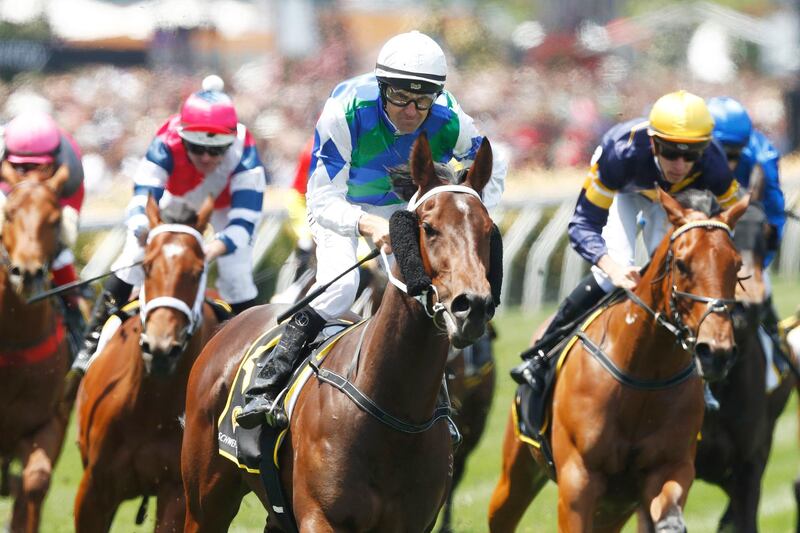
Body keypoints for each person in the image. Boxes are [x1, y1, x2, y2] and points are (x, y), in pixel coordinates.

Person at [236, 30, 508, 429]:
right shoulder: (346, 110)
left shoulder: (450, 118)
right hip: (341, 205)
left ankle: (437, 402)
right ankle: (267, 382)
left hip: (404, 206)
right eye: (400, 97)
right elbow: (322, 198)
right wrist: (366, 223)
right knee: (340, 287)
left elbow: (493, 162)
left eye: (423, 98)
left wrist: (476, 212)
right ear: (382, 87)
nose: (412, 110)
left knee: (427, 294)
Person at [511, 90, 739, 392]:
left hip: (673, 202)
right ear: (653, 142)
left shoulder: (715, 164)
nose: (680, 164)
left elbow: (730, 224)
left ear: (705, 150)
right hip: (625, 192)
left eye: (691, 155)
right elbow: (583, 225)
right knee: (612, 273)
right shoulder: (621, 153)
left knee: (677, 276)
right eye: (670, 152)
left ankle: (700, 376)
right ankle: (541, 355)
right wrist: (611, 266)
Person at [69, 75, 266, 377]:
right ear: (181, 136)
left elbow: (244, 221)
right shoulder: (165, 140)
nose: (205, 157)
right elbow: (140, 199)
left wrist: (210, 249)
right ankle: (91, 340)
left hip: (225, 206)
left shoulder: (246, 155)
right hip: (177, 196)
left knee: (235, 275)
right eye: (196, 147)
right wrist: (143, 232)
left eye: (216, 150)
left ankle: (258, 359)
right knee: (134, 255)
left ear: (232, 141)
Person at [707, 96, 788, 373]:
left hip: (745, 235)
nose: (729, 164)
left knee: (756, 293)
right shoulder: (690, 152)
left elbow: (774, 217)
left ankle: (777, 357)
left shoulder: (762, 158)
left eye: (735, 155)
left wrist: (757, 267)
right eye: (721, 153)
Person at [0, 110, 88, 356]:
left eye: (39, 168)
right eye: (21, 167)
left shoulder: (71, 171)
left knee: (60, 250)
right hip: (6, 198)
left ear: (54, 162)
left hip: (53, 212)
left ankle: (82, 338)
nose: (30, 176)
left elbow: (67, 218)